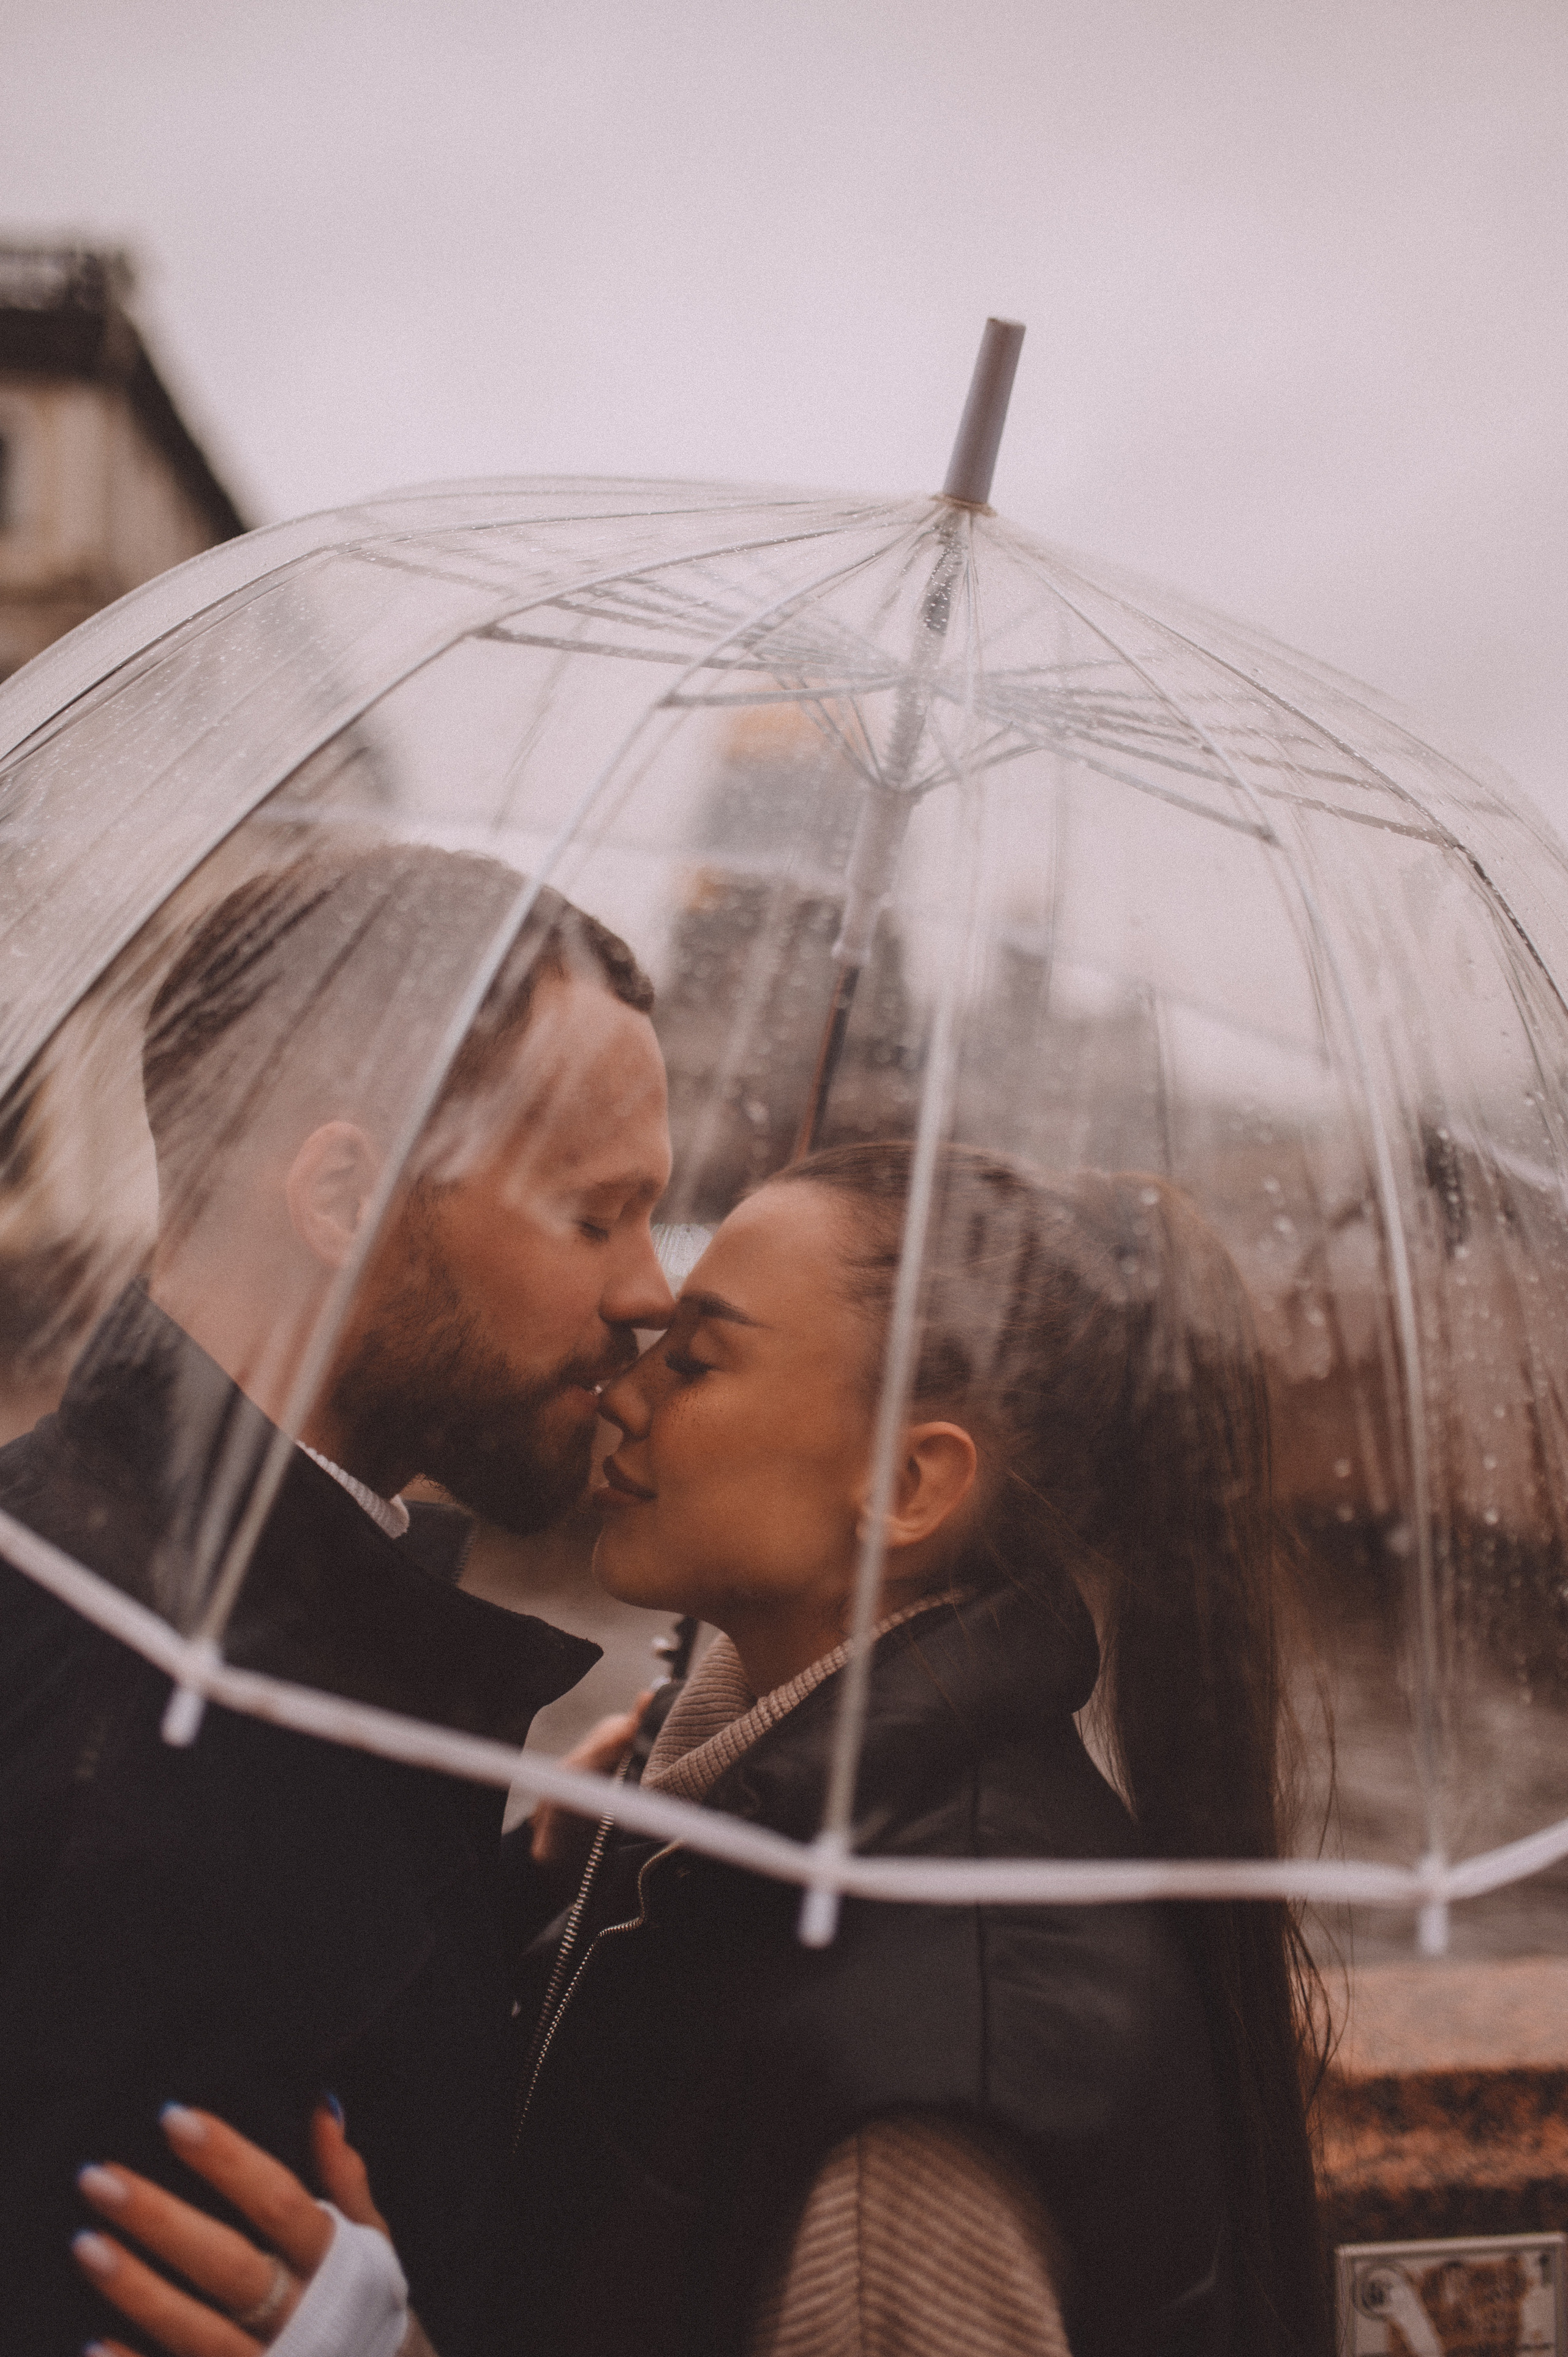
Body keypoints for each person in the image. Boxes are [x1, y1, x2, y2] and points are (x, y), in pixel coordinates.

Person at [75, 1142, 1332, 2357]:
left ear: (903, 1483)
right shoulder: (722, 1850)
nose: (621, 1393)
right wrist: (546, 1884)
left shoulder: (916, 2116)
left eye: (699, 1359)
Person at [0, 841, 676, 2355]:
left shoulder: (128, 1601)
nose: (651, 1292)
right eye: (596, 1214)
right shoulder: (178, 1747)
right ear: (341, 1195)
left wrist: (499, 1892)